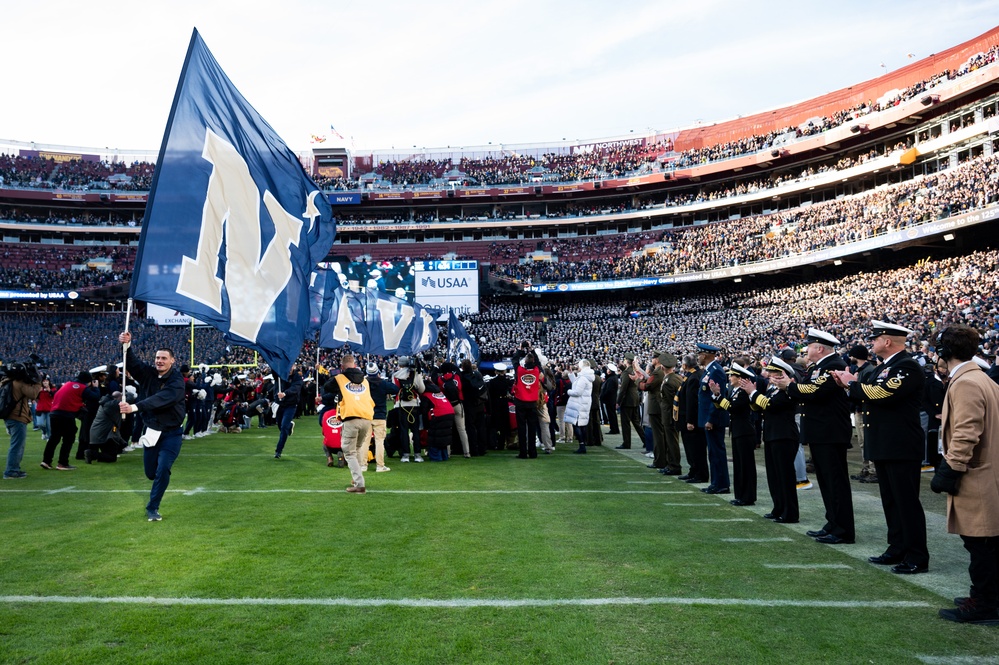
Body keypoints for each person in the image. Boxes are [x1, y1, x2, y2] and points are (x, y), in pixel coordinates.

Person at [834, 321, 928, 573]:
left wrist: (852, 383)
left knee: (906, 502)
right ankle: (897, 547)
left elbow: (883, 393)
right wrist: (850, 384)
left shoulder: (906, 366)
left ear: (887, 341)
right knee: (891, 500)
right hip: (885, 442)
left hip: (900, 444)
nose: (872, 343)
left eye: (875, 339)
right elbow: (869, 391)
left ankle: (917, 556)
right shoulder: (885, 367)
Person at [930, 325, 999, 625]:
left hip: (976, 474)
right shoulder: (980, 379)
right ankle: (988, 598)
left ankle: (983, 603)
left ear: (945, 352)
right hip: (986, 471)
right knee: (986, 544)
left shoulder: (967, 383)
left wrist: (951, 467)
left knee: (980, 544)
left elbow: (966, 431)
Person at [779, 328, 855, 545]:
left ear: (819, 348)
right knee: (826, 481)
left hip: (830, 432)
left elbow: (813, 390)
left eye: (810, 346)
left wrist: (789, 386)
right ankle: (832, 522)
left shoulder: (834, 366)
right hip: (821, 431)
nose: (805, 349)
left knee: (835, 481)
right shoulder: (820, 366)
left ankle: (842, 529)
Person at [118, 332, 187, 522]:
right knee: (151, 473)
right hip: (152, 431)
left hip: (172, 433)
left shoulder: (177, 381)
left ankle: (153, 507)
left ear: (172, 361)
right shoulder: (149, 374)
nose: (160, 361)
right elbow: (132, 363)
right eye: (157, 358)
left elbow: (161, 400)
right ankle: (157, 483)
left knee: (163, 468)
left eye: (164, 358)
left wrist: (134, 407)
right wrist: (127, 345)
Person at [743, 356, 800, 523]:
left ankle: (790, 513)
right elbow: (760, 405)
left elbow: (770, 405)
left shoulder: (787, 390)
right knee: (774, 475)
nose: (769, 375)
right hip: (772, 434)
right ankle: (779, 508)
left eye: (774, 373)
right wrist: (752, 396)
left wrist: (752, 393)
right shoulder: (772, 389)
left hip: (784, 436)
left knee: (784, 476)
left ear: (783, 374)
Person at [322, 354, 374, 493]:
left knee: (349, 453)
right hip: (367, 418)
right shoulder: (365, 381)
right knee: (356, 449)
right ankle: (356, 477)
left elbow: (327, 387)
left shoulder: (340, 378)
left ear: (342, 367)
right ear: (355, 366)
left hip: (351, 418)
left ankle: (359, 484)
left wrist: (334, 375)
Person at [710, 361, 757, 506]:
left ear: (739, 378)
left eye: (732, 376)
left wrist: (719, 397)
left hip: (744, 431)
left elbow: (732, 408)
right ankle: (741, 495)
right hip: (738, 431)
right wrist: (717, 395)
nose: (729, 378)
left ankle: (747, 496)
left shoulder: (743, 393)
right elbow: (725, 405)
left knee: (745, 465)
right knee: (739, 465)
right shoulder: (736, 391)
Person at [40, 370, 97, 471]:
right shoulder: (82, 387)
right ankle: (62, 463)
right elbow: (95, 397)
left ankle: (46, 461)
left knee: (54, 438)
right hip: (66, 414)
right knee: (69, 438)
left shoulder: (67, 384)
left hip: (54, 413)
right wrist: (96, 388)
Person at [696, 343, 730, 494]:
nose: (698, 357)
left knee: (717, 453)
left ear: (706, 355)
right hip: (709, 418)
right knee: (713, 452)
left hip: (714, 419)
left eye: (700, 354)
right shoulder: (710, 370)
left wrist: (710, 419)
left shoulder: (716, 371)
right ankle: (716, 482)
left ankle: (721, 484)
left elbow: (716, 398)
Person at [846, 344, 879, 483]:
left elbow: (864, 392)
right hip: (860, 409)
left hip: (864, 410)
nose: (849, 357)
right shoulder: (863, 369)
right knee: (862, 442)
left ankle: (873, 470)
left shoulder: (867, 371)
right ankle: (866, 469)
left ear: (856, 356)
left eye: (851, 355)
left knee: (867, 441)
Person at [3, 362, 42, 479]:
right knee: (16, 445)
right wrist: (38, 380)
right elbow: (33, 394)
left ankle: (15, 469)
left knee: (18, 445)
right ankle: (10, 471)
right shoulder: (19, 384)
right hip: (17, 418)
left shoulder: (7, 381)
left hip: (10, 416)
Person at [677, 354, 709, 484]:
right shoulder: (694, 374)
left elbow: (692, 401)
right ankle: (693, 470)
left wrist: (690, 421)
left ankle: (700, 473)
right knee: (690, 448)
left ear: (685, 365)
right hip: (689, 418)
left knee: (696, 448)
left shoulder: (694, 377)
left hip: (692, 420)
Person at [511, 343, 545, 459]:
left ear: (525, 362)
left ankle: (523, 453)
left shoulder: (520, 370)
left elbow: (514, 360)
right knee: (532, 428)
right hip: (532, 402)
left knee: (521, 428)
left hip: (520, 401)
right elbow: (538, 363)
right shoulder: (536, 370)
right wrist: (531, 350)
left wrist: (520, 349)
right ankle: (532, 452)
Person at [366, 361, 399, 472]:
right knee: (379, 441)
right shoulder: (383, 383)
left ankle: (362, 465)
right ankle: (380, 466)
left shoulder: (363, 383)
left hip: (366, 415)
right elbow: (395, 389)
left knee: (364, 441)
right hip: (379, 415)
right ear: (377, 372)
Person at [392, 356, 425, 462]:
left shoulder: (395, 375)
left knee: (403, 430)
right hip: (414, 404)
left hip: (401, 405)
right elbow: (422, 389)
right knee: (415, 430)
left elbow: (394, 391)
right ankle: (417, 455)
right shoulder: (415, 374)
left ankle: (405, 455)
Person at [273, 364, 303, 459]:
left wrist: (285, 394)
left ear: (294, 366)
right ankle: (289, 426)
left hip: (291, 405)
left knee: (283, 427)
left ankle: (278, 450)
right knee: (280, 425)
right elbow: (273, 370)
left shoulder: (297, 377)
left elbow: (295, 388)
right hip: (280, 404)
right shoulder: (280, 374)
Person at [565, 359, 595, 454]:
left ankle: (582, 445)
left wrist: (568, 392)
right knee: (581, 425)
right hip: (583, 403)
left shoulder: (583, 378)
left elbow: (577, 392)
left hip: (580, 404)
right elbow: (576, 383)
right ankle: (582, 444)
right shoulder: (585, 377)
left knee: (577, 425)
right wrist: (570, 373)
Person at [617, 352, 646, 450]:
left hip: (628, 400)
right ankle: (646, 441)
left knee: (625, 422)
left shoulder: (626, 372)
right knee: (636, 422)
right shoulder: (634, 370)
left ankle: (626, 443)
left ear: (626, 361)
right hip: (634, 399)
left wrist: (618, 401)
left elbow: (623, 388)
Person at [601, 364, 620, 435]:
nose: (607, 371)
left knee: (611, 415)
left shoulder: (611, 379)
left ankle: (613, 429)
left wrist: (603, 396)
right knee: (612, 414)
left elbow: (608, 390)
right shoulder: (613, 378)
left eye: (608, 370)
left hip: (610, 399)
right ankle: (615, 429)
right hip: (611, 399)